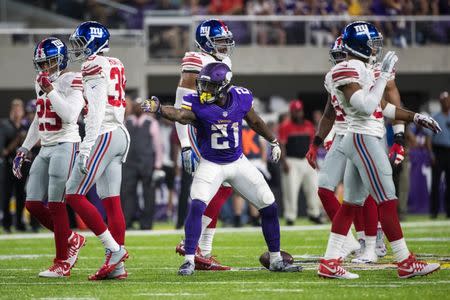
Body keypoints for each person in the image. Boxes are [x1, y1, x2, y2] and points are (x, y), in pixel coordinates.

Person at [143, 62, 301, 276]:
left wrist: (273, 140)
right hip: (211, 164)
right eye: (203, 85)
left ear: (224, 86)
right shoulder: (198, 104)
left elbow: (254, 121)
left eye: (209, 86)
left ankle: (275, 260)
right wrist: (160, 109)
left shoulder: (241, 98)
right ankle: (189, 260)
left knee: (269, 205)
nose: (203, 90)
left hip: (238, 162)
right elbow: (180, 115)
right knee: (197, 205)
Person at [317, 21, 441, 279]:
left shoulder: (361, 67)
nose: (376, 49)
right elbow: (364, 106)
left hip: (362, 137)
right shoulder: (345, 68)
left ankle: (329, 262)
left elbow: (382, 106)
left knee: (351, 203)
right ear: (360, 45)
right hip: (363, 137)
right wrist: (383, 76)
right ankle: (405, 262)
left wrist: (415, 117)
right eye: (372, 43)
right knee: (387, 199)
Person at [12, 37, 86, 277]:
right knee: (32, 203)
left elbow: (70, 115)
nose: (45, 68)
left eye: (50, 62)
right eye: (41, 64)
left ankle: (62, 262)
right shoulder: (40, 81)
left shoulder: (71, 79)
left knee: (55, 204)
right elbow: (38, 119)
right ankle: (71, 238)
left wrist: (51, 90)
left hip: (66, 143)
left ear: (61, 60)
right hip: (45, 147)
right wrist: (24, 147)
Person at [66, 21, 129, 280]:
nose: (78, 49)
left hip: (103, 133)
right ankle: (118, 268)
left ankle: (113, 250)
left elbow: (97, 111)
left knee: (73, 193)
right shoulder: (116, 62)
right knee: (111, 201)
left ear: (92, 42)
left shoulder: (92, 65)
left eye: (81, 43)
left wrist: (86, 146)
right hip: (120, 133)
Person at [174, 19, 236, 270]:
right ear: (205, 41)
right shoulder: (195, 61)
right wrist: (185, 144)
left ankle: (204, 250)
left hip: (215, 129)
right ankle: (193, 244)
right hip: (197, 130)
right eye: (219, 40)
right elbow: (181, 107)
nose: (224, 45)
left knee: (224, 185)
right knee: (214, 188)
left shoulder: (225, 62)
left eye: (225, 40)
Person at [122, 99, 164, 230]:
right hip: (129, 163)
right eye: (135, 106)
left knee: (148, 193)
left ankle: (146, 223)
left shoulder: (151, 122)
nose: (137, 108)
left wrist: (158, 164)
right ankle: (127, 221)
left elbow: (158, 146)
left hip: (147, 163)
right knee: (127, 192)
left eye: (140, 106)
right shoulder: (127, 121)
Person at [278, 99, 322, 225]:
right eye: (295, 111)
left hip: (307, 161)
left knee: (313, 188)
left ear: (302, 111)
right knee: (291, 190)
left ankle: (314, 213)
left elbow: (312, 144)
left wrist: (315, 161)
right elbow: (281, 145)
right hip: (291, 161)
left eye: (299, 111)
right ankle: (290, 216)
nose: (298, 113)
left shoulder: (308, 125)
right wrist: (284, 162)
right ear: (291, 112)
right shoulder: (285, 126)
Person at [2, 99, 28, 233]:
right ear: (12, 111)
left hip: (22, 166)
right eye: (15, 109)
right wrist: (17, 139)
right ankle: (6, 224)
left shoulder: (25, 126)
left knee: (21, 195)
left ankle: (19, 223)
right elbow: (3, 151)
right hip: (8, 164)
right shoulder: (5, 125)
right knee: (7, 195)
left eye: (20, 109)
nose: (18, 112)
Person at [430, 91, 449, 219]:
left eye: (447, 100)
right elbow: (428, 138)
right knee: (435, 183)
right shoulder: (435, 117)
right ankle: (434, 211)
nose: (446, 102)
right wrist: (431, 154)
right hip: (438, 151)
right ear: (440, 102)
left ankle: (449, 211)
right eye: (443, 100)